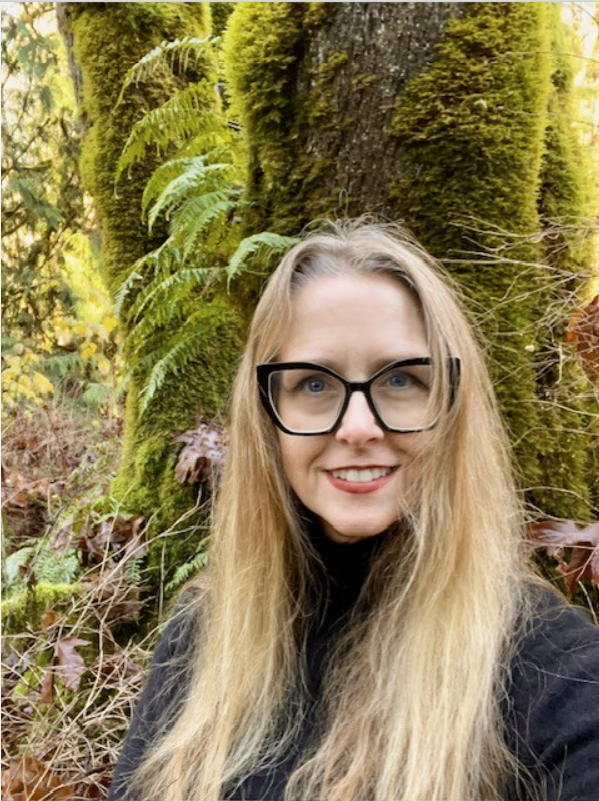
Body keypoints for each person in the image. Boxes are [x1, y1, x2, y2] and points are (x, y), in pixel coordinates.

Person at [109, 221, 599, 801]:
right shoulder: (206, 634)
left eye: (402, 379)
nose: (359, 428)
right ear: (266, 416)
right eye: (314, 384)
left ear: (451, 406)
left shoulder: (551, 668)